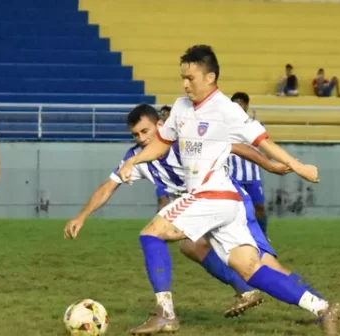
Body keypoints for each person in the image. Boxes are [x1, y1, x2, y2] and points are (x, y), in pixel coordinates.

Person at [117, 45, 340, 335]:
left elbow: (263, 141)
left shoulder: (227, 110)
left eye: (191, 78)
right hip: (226, 202)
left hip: (210, 195)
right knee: (248, 267)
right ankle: (323, 309)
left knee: (151, 233)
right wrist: (135, 159)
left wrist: (298, 166)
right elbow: (162, 141)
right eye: (182, 78)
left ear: (210, 77)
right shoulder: (181, 107)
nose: (186, 84)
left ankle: (166, 314)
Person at [64, 103, 297, 318]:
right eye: (136, 134)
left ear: (160, 125)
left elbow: (235, 146)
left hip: (229, 202)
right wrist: (82, 216)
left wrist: (269, 165)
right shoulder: (137, 158)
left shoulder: (185, 140)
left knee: (266, 265)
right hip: (197, 209)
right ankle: (246, 291)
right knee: (191, 246)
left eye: (146, 131)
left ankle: (320, 308)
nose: (142, 138)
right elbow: (108, 186)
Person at [228, 92, 269, 237]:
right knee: (234, 210)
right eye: (235, 102)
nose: (238, 105)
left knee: (259, 207)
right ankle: (236, 239)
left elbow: (266, 148)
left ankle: (263, 238)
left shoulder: (256, 125)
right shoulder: (224, 126)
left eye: (241, 102)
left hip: (252, 176)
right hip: (232, 176)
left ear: (246, 105)